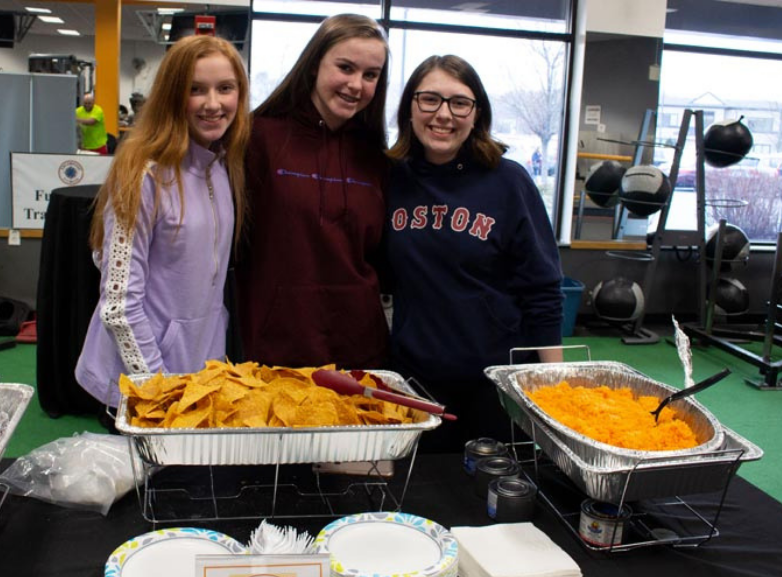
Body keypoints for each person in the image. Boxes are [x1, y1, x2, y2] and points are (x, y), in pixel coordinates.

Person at [385, 55, 564, 451]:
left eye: (459, 102)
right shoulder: (391, 177)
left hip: (497, 381)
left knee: (497, 496)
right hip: (416, 378)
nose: (443, 114)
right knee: (424, 493)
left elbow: (544, 290)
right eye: (429, 99)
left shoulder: (508, 181)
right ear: (409, 108)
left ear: (476, 112)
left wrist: (555, 385)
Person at [75, 35, 250, 413]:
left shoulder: (221, 166)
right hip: (144, 386)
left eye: (225, 89)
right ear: (173, 95)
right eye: (196, 90)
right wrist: (160, 392)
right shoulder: (143, 174)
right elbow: (119, 306)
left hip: (197, 378)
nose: (213, 104)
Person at [236, 14, 391, 369]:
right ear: (313, 65)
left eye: (370, 75)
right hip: (276, 347)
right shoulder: (258, 137)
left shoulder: (376, 156)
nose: (356, 85)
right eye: (346, 67)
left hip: (361, 348)